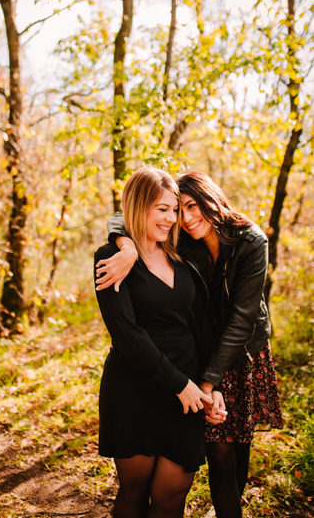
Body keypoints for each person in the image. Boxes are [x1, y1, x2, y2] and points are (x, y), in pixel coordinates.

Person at [96, 171, 283, 518]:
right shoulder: (156, 246)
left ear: (212, 199)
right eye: (174, 210)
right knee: (144, 485)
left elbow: (232, 321)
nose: (181, 217)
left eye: (187, 207)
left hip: (228, 357)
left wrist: (208, 384)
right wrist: (126, 246)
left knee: (221, 460)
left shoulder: (243, 243)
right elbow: (130, 215)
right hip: (167, 369)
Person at [94, 167, 226, 518]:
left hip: (186, 397)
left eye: (174, 209)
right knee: (134, 491)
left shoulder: (185, 263)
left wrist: (210, 387)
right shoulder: (111, 258)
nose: (172, 218)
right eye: (162, 209)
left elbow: (203, 332)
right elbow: (126, 334)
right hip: (133, 389)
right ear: (138, 207)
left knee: (172, 494)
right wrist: (179, 384)